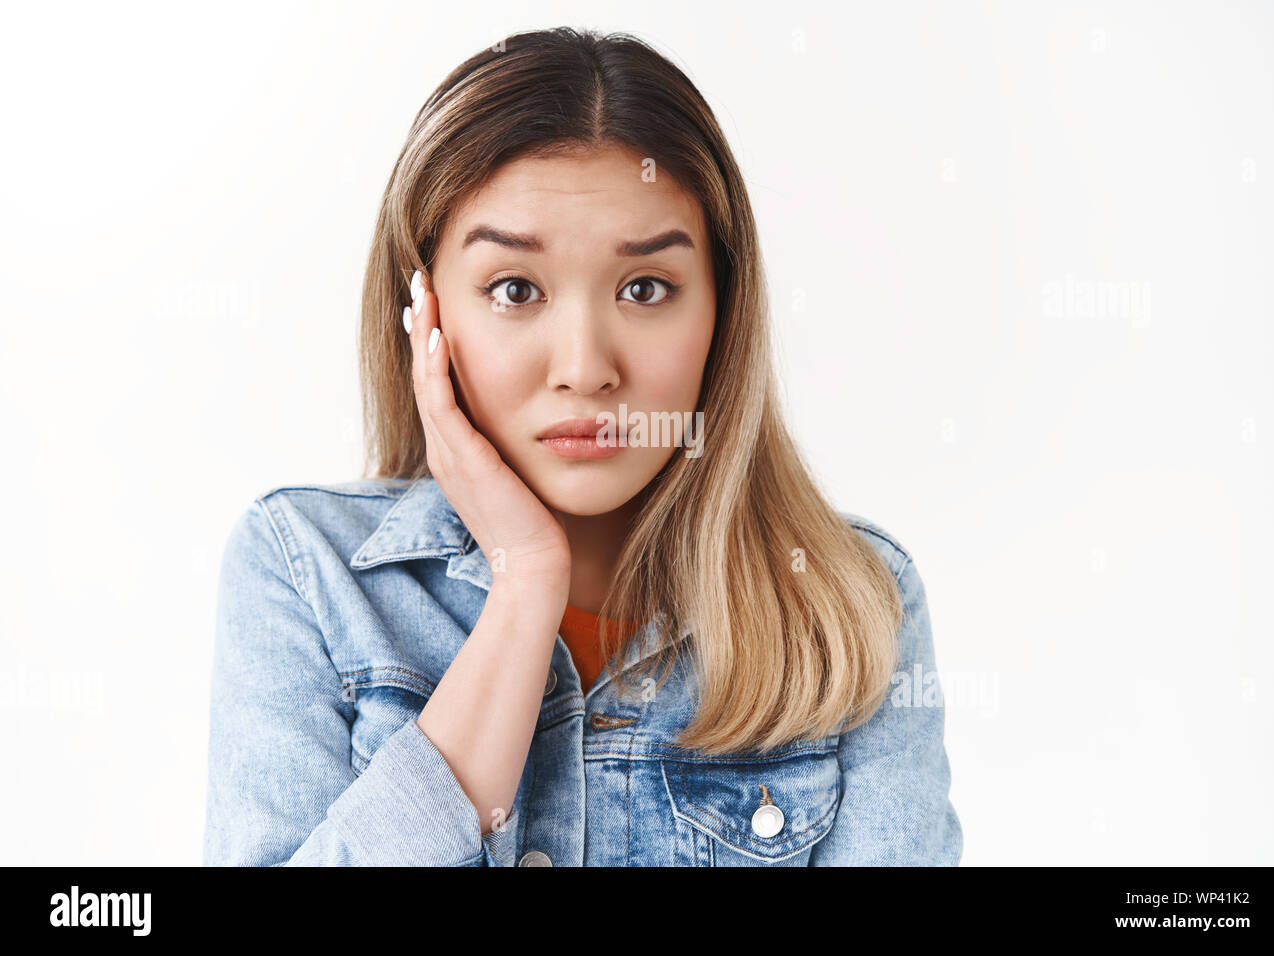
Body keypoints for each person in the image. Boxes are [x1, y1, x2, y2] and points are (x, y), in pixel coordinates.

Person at [202, 26, 962, 866]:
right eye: (515, 289)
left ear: (723, 311)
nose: (585, 367)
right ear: (426, 315)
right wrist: (525, 583)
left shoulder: (849, 602)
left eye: (646, 288)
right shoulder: (307, 573)